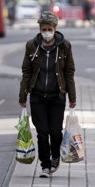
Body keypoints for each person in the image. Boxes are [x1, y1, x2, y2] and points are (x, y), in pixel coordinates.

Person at [19, 11, 77, 178]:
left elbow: (69, 72)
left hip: (57, 97)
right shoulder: (32, 45)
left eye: (49, 29)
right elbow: (26, 71)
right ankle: (45, 165)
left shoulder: (65, 46)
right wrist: (23, 95)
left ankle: (55, 157)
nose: (46, 32)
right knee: (42, 132)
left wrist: (72, 97)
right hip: (37, 97)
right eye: (43, 29)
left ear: (55, 28)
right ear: (39, 28)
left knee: (56, 132)